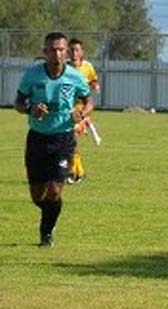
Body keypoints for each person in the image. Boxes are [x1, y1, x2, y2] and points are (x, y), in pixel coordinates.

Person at [15, 32, 93, 248]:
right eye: (52, 49)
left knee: (54, 190)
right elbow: (19, 102)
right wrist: (31, 108)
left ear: (66, 52)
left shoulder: (75, 77)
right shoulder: (32, 75)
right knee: (37, 194)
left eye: (61, 49)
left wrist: (82, 114)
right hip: (37, 139)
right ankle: (50, 214)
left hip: (63, 139)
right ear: (45, 52)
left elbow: (89, 101)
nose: (57, 53)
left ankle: (46, 232)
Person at [66, 38, 101, 184]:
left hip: (82, 109)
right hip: (67, 108)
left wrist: (95, 85)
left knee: (72, 139)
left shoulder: (87, 67)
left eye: (76, 49)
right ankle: (78, 172)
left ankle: (73, 173)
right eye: (71, 49)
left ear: (82, 52)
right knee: (69, 141)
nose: (74, 52)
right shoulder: (64, 67)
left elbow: (93, 79)